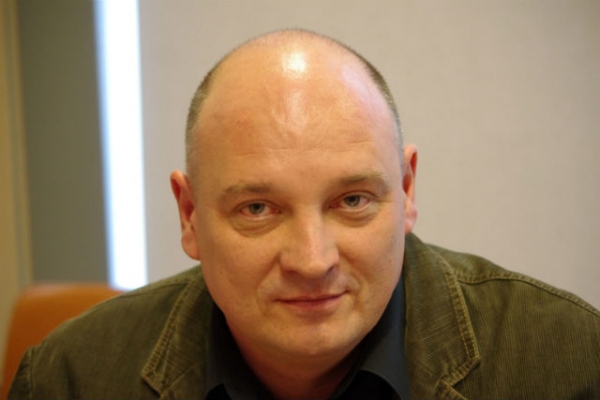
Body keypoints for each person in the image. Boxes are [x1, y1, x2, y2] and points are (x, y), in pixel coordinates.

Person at [8, 29, 600, 400]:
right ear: (189, 215)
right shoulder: (70, 379)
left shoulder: (566, 362)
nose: (313, 261)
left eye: (352, 201)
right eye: (258, 209)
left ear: (406, 189)